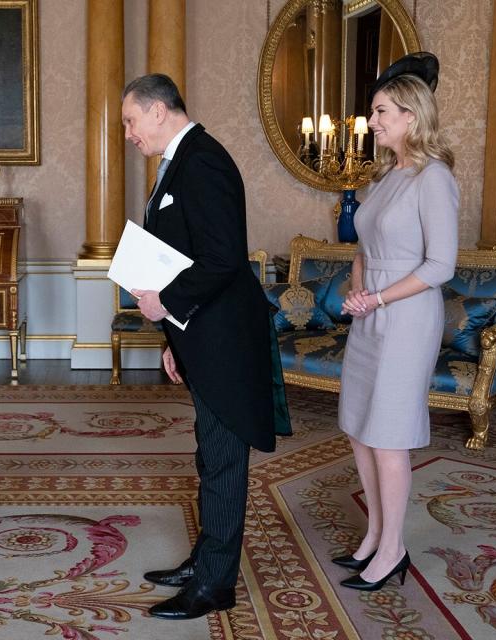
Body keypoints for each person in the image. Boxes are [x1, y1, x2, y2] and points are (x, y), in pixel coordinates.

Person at [122, 74, 290, 620]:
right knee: (208, 456)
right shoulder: (181, 159)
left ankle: (215, 585)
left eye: (130, 121)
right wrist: (174, 338)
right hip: (201, 336)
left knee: (222, 462)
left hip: (225, 342)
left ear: (158, 110)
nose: (128, 133)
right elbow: (185, 252)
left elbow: (222, 258)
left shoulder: (204, 160)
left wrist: (164, 302)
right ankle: (204, 560)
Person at [335, 52, 458, 591]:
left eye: (382, 111)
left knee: (387, 436)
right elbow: (364, 243)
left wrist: (379, 299)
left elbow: (441, 265)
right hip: (372, 311)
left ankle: (393, 550)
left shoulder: (434, 177)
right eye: (374, 112)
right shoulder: (386, 176)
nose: (374, 121)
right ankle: (374, 535)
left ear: (411, 115)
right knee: (360, 429)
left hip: (406, 317)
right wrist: (358, 286)